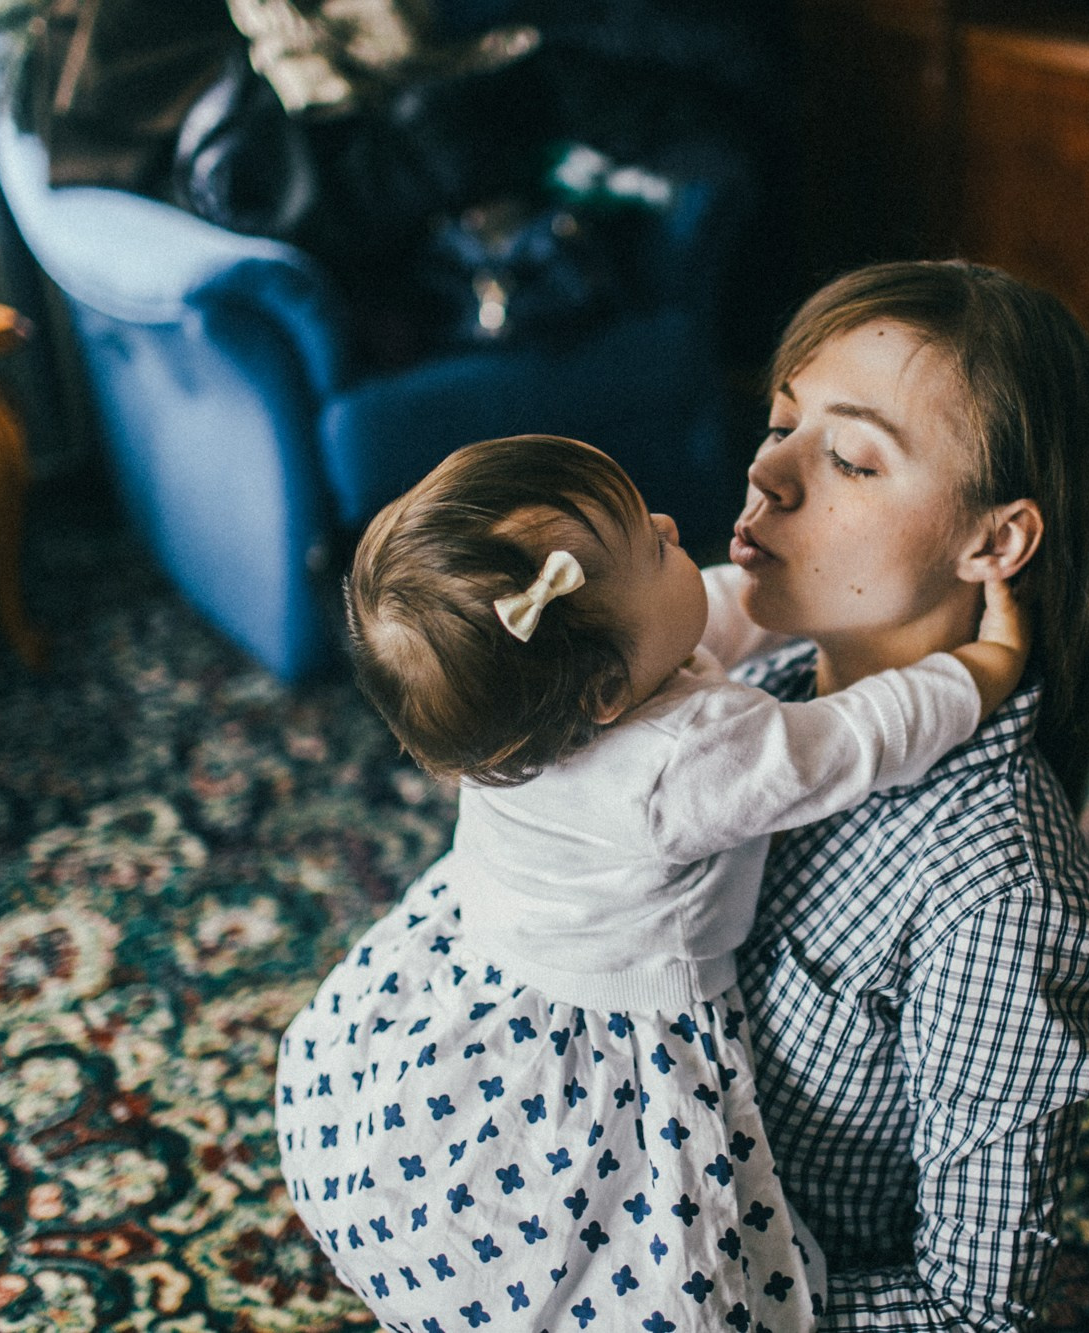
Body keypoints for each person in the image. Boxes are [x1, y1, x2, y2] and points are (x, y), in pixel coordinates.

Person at [275, 432, 1029, 1329]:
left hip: (484, 958)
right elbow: (856, 738)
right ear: (604, 688)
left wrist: (707, 585)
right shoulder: (687, 759)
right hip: (605, 1033)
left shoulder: (516, 707)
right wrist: (980, 671)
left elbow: (707, 610)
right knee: (632, 1252)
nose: (676, 526)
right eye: (653, 544)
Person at [713, 259, 1089, 1327]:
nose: (768, 475)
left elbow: (969, 1313)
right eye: (779, 422)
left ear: (994, 540)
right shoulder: (747, 696)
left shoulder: (998, 895)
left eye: (850, 458)